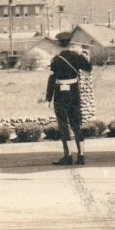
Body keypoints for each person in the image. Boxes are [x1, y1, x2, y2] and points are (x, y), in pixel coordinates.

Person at [44, 37, 93, 165]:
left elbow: (52, 79)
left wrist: (48, 98)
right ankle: (81, 156)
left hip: (60, 95)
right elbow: (88, 69)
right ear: (70, 43)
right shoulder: (77, 57)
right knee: (76, 124)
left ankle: (68, 156)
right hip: (74, 94)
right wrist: (84, 55)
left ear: (58, 45)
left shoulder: (56, 59)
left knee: (63, 125)